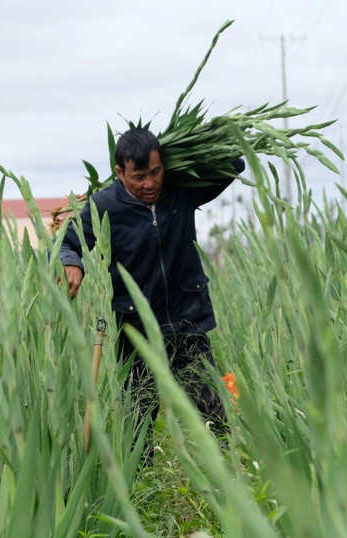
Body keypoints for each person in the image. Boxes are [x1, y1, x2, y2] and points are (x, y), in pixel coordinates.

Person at [59, 127, 244, 448]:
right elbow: (66, 241)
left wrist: (196, 148)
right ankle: (137, 488)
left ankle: (230, 479)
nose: (149, 184)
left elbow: (236, 164)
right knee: (138, 426)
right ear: (120, 172)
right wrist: (70, 261)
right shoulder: (104, 205)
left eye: (156, 172)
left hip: (188, 323)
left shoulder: (181, 191)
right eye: (139, 176)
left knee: (215, 415)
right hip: (137, 331)